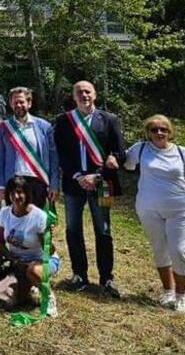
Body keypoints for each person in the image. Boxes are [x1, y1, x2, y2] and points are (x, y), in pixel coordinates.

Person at [124, 115, 185, 313]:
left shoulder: (181, 152)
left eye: (163, 129)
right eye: (154, 129)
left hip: (181, 210)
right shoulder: (140, 149)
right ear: (148, 133)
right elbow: (123, 162)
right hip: (148, 209)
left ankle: (181, 297)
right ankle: (168, 291)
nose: (159, 133)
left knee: (180, 251)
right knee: (160, 249)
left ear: (170, 132)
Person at [54, 80, 125, 297]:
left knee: (103, 229)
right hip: (74, 183)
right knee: (73, 229)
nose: (84, 95)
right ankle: (79, 275)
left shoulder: (110, 119)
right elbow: (61, 154)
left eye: (87, 91)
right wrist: (78, 176)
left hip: (103, 183)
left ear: (94, 94)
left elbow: (120, 153)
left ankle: (107, 278)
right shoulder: (64, 121)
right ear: (74, 97)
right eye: (79, 92)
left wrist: (98, 175)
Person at [0, 176, 60, 316]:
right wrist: (14, 261)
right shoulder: (4, 212)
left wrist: (47, 238)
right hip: (18, 264)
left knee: (32, 271)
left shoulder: (39, 216)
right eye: (12, 193)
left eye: (20, 192)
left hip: (43, 261)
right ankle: (30, 288)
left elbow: (50, 251)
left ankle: (48, 296)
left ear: (27, 194)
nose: (16, 196)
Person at [0, 87, 58, 208]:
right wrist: (1, 186)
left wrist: (54, 184)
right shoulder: (4, 127)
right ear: (11, 104)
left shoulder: (45, 126)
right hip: (13, 181)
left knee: (36, 218)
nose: (18, 105)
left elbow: (53, 158)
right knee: (15, 219)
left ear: (29, 103)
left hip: (37, 181)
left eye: (21, 102)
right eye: (15, 102)